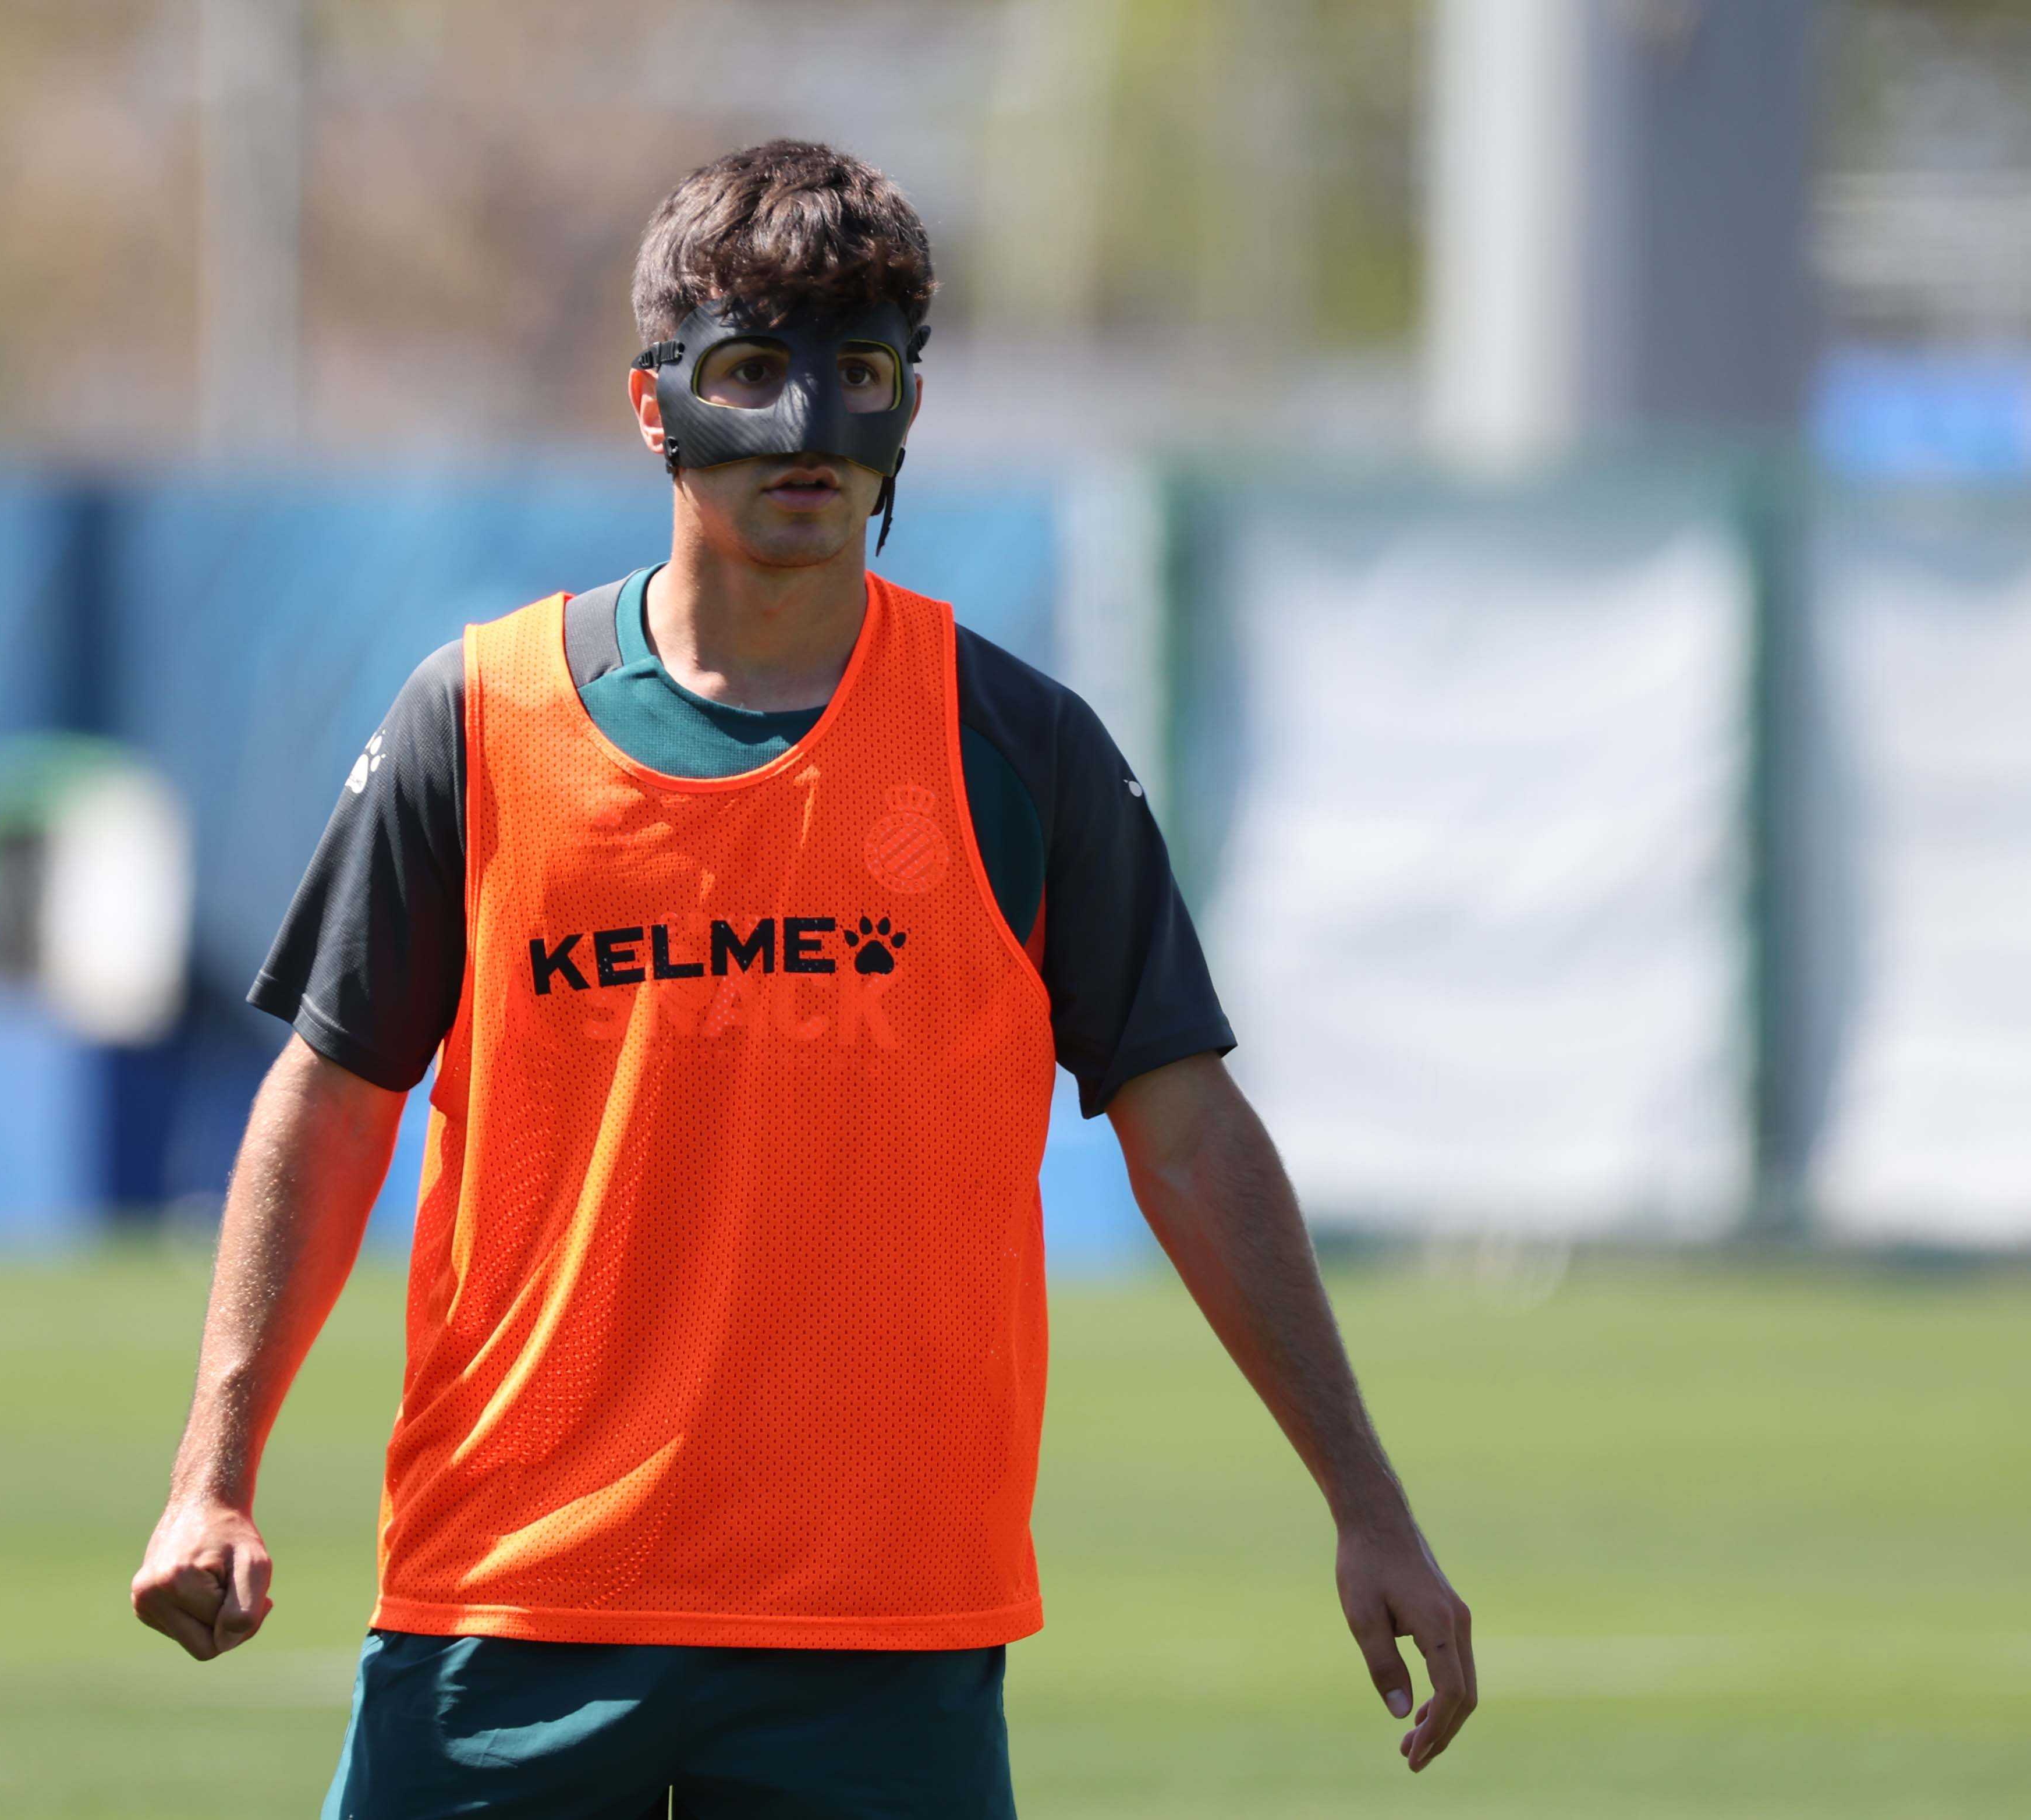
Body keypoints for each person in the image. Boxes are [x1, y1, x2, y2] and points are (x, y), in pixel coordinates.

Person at [131, 139, 1475, 1817]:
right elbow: (331, 1108)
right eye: (754, 371)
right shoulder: (470, 725)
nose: (811, 429)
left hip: (881, 1639)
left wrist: (1367, 1500)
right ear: (653, 404)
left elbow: (1191, 1136)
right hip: (511, 1611)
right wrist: (213, 1474)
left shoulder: (1020, 750)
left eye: (861, 374)